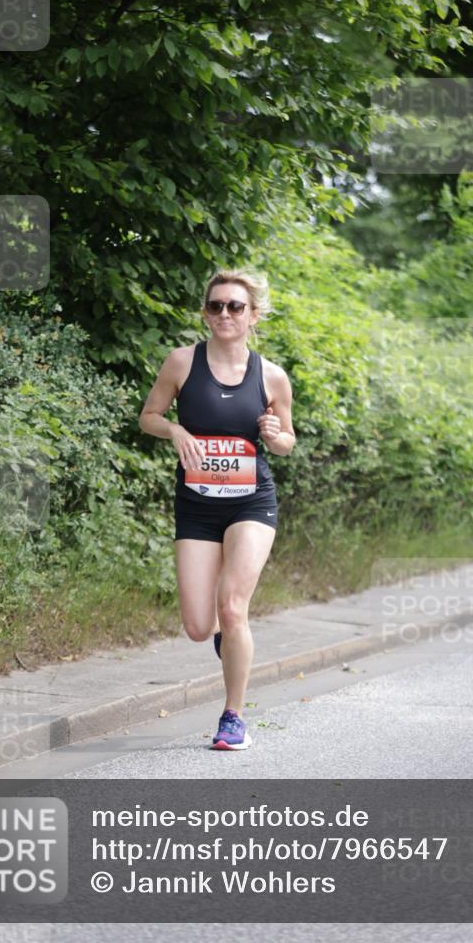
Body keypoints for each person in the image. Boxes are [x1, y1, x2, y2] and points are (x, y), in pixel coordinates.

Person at [138, 267, 296, 750]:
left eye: (235, 306)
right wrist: (176, 431)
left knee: (233, 606)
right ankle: (227, 640)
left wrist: (275, 436)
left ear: (253, 315)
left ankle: (233, 718)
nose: (224, 313)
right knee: (197, 625)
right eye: (216, 305)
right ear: (205, 312)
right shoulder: (182, 363)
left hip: (252, 501)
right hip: (197, 506)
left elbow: (288, 440)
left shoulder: (271, 375)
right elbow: (149, 417)